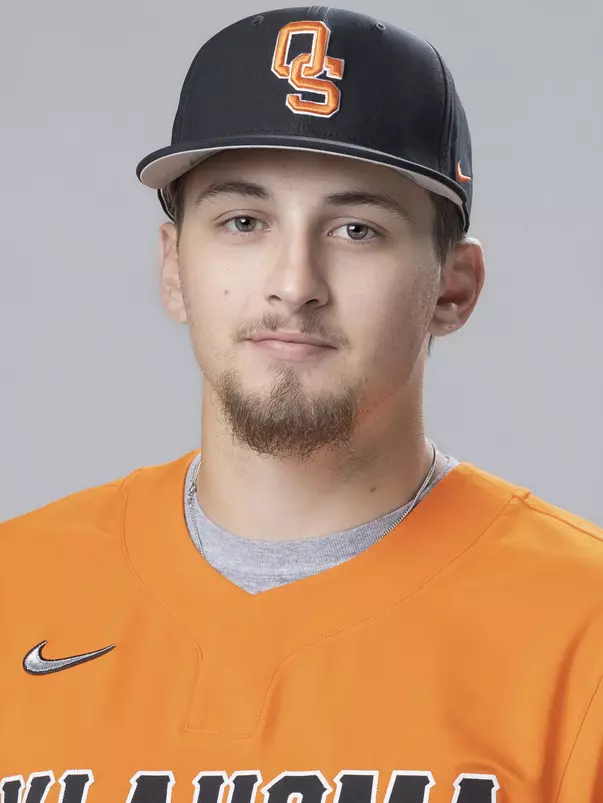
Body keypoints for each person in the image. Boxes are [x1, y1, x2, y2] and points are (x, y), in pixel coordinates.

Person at [1, 6, 602, 803]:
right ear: (176, 267)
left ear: (452, 288)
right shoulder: (18, 586)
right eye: (242, 221)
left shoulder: (581, 625)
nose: (294, 281)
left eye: (356, 228)